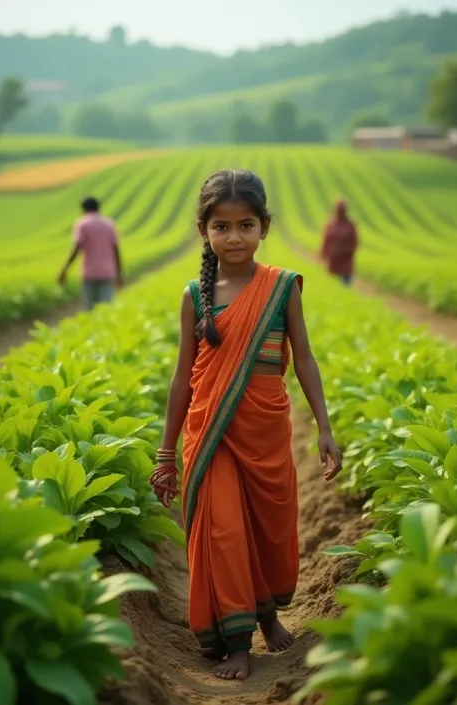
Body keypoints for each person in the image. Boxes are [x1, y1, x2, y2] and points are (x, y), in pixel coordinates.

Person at [150, 170, 342, 682]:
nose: (233, 237)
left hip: (265, 429)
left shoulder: (282, 288)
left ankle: (267, 615)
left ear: (263, 228)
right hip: (212, 435)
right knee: (225, 531)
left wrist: (324, 427)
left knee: (264, 528)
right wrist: (165, 454)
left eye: (246, 225)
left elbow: (304, 360)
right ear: (204, 231)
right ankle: (237, 642)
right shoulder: (196, 295)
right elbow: (180, 380)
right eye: (221, 226)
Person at [58, 196, 123, 310]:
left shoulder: (82, 224)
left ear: (83, 209)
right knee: (106, 309)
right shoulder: (109, 224)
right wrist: (119, 273)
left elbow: (77, 248)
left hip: (89, 272)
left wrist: (65, 269)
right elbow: (116, 250)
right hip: (107, 271)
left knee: (89, 308)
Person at [319, 200, 358, 285]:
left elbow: (355, 242)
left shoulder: (350, 225)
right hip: (333, 263)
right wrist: (323, 254)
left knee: (345, 287)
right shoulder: (331, 224)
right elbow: (325, 240)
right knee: (332, 288)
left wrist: (345, 250)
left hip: (346, 264)